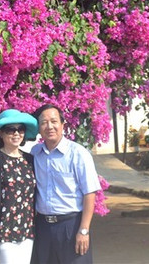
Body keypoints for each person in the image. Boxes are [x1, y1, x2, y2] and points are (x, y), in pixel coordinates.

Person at [30, 104, 101, 264]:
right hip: (43, 227)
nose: (49, 126)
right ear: (39, 128)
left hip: (71, 225)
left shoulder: (78, 153)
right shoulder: (35, 153)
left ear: (63, 124)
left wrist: (83, 230)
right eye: (44, 122)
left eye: (54, 121)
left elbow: (89, 192)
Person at [0, 109, 38, 264]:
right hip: (4, 234)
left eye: (20, 129)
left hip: (28, 232)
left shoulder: (30, 160)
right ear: (1, 133)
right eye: (10, 129)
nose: (16, 133)